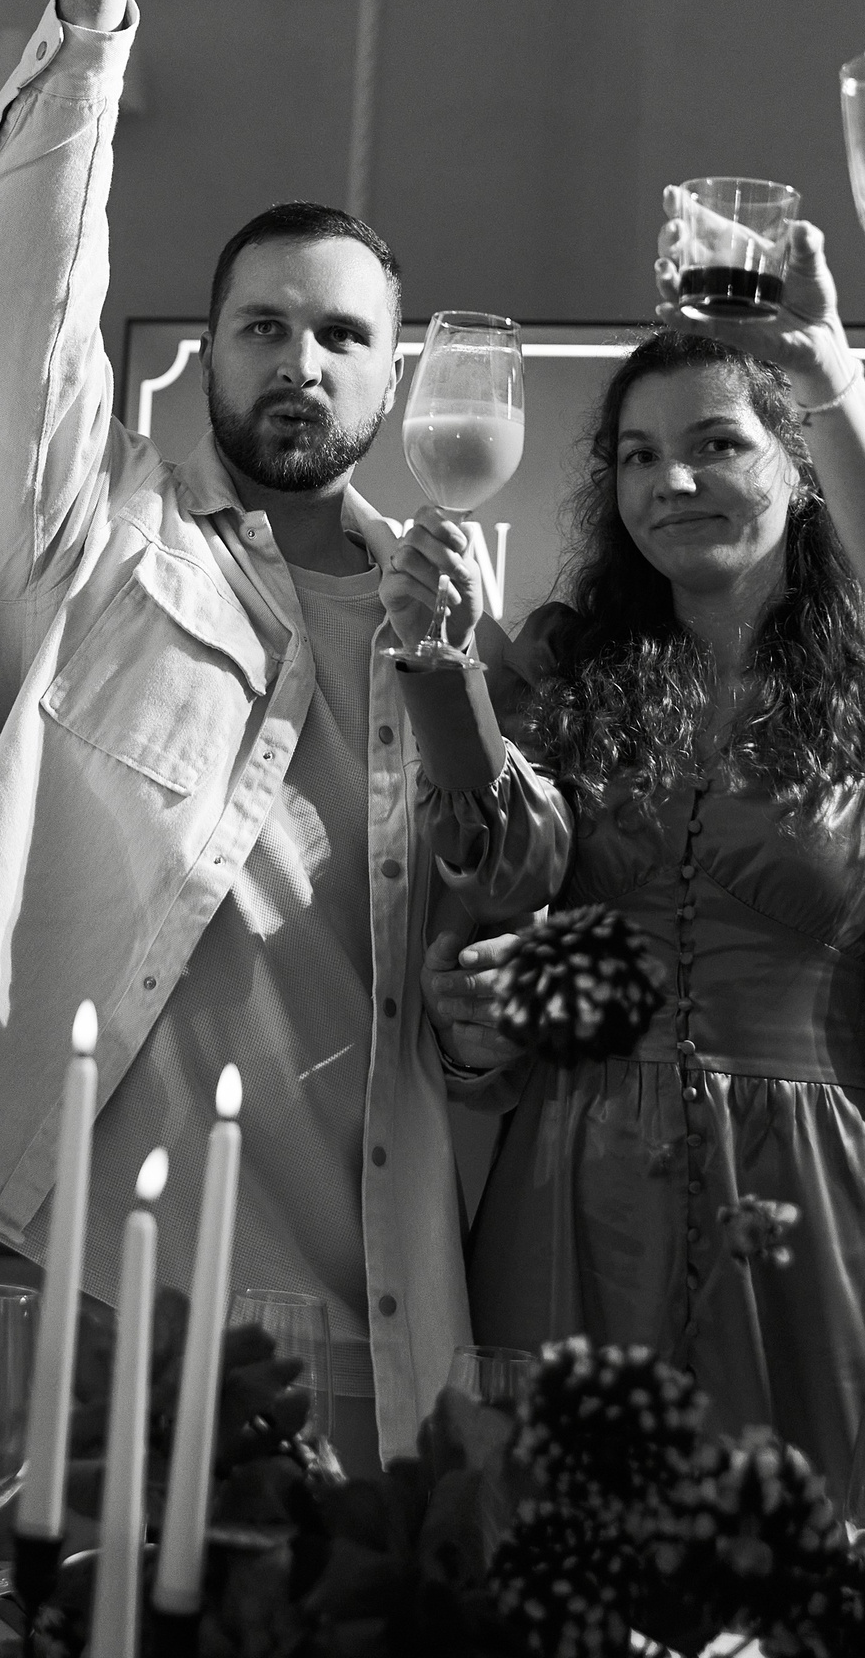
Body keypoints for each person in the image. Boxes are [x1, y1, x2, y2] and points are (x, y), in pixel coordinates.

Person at [0, 0, 566, 1495]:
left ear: (393, 377)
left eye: (340, 335)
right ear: (206, 352)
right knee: (6, 1608)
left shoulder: (452, 626)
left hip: (343, 1288)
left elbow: (507, 936)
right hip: (49, 1256)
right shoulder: (91, 536)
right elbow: (12, 294)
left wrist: (461, 681)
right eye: (260, 326)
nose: (297, 360)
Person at [425, 301, 865, 1490]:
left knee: (789, 1546)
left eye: (717, 443)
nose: (670, 480)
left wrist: (826, 369)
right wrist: (474, 1019)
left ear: (804, 468)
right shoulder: (560, 669)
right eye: (637, 454)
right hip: (571, 1181)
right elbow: (476, 938)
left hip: (809, 1193)